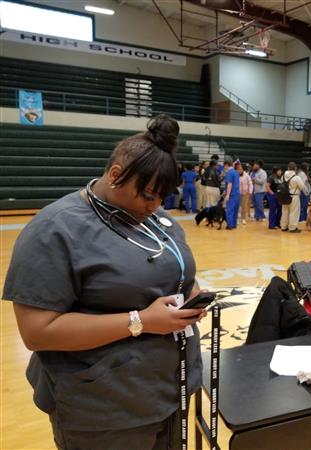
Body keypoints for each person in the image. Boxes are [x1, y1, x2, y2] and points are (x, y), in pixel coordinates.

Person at [2, 114, 207, 450]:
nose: (155, 206)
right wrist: (141, 321)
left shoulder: (153, 218)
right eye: (148, 195)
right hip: (104, 410)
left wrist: (190, 293)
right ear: (115, 175)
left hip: (171, 391)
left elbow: (175, 270)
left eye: (162, 197)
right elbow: (37, 331)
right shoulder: (54, 229)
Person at [280, 162, 306, 233]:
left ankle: (284, 226)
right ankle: (292, 227)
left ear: (288, 168)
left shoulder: (283, 176)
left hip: (284, 196)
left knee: (285, 211)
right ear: (295, 168)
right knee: (294, 212)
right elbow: (302, 187)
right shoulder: (296, 177)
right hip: (294, 196)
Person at [223, 160, 241, 230]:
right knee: (235, 210)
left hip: (232, 194)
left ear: (226, 165)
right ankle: (234, 224)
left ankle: (230, 225)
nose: (224, 167)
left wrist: (227, 194)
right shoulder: (236, 172)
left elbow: (229, 184)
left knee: (229, 210)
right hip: (237, 193)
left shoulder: (229, 173)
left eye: (224, 166)